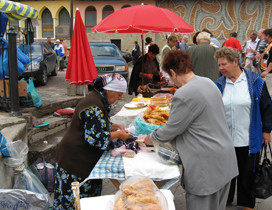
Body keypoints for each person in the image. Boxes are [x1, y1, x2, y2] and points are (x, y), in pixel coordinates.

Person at [144, 50, 238, 210]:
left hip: (206, 167)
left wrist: (150, 137)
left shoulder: (184, 94)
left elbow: (170, 130)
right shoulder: (208, 82)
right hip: (225, 160)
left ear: (173, 72)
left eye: (170, 76)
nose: (171, 81)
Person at [54, 73, 131, 209]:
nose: (119, 98)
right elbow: (95, 139)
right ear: (110, 90)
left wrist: (113, 126)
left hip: (78, 159)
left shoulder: (97, 99)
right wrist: (118, 134)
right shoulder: (94, 106)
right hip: (74, 162)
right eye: (119, 94)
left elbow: (96, 124)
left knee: (87, 202)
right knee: (76, 203)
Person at [215, 47, 272, 210]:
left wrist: (267, 131)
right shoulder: (220, 84)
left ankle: (247, 203)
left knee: (248, 172)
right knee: (226, 173)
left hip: (249, 137)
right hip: (226, 139)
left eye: (223, 64)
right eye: (219, 65)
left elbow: (266, 106)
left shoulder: (255, 82)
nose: (220, 68)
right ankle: (225, 199)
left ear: (235, 62)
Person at [259, 28, 272, 107]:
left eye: (264, 36)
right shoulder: (271, 45)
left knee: (270, 93)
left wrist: (267, 71)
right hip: (269, 74)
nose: (263, 38)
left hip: (271, 74)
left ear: (268, 36)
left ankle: (271, 113)